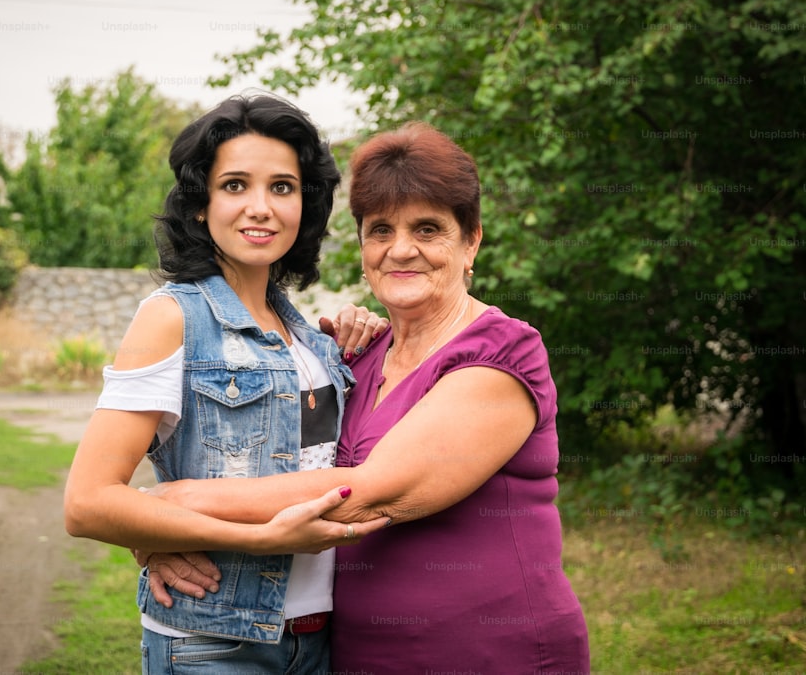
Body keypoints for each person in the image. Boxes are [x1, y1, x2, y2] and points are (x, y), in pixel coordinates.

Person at [141, 121, 591, 672]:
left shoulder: (502, 352)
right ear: (361, 246)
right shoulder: (354, 357)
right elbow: (278, 462)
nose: (401, 250)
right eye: (380, 230)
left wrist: (163, 508)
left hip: (494, 651)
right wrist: (156, 537)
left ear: (471, 240)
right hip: (357, 656)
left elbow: (370, 492)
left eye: (428, 229)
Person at [62, 93, 388, 675]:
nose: (260, 207)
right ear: (199, 205)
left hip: (320, 642)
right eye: (235, 185)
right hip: (211, 645)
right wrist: (255, 539)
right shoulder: (171, 318)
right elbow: (87, 504)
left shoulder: (313, 339)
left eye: (282, 187)